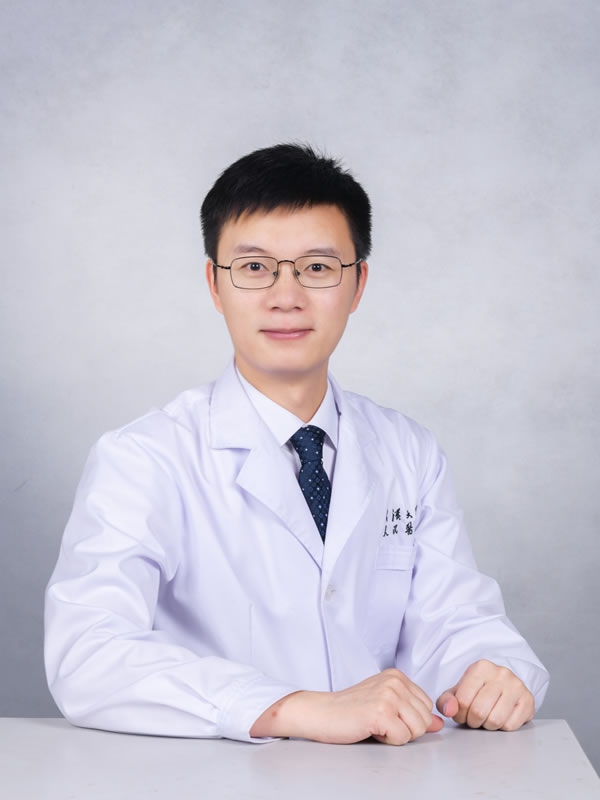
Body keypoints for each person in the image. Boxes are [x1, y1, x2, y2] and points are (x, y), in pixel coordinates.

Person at [44, 143, 549, 745]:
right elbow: (88, 653)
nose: (286, 296)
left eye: (317, 267)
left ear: (357, 284)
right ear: (214, 284)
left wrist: (492, 673)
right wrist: (293, 708)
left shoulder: (408, 452)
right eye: (255, 267)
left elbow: (457, 620)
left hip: (385, 776)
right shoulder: (145, 458)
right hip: (213, 779)